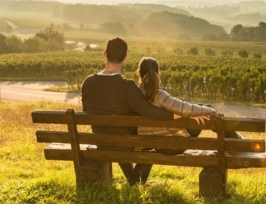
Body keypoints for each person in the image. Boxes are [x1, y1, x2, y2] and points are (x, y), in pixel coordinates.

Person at [81, 38, 176, 186]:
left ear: (105, 54)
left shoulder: (88, 82)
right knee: (145, 143)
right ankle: (135, 181)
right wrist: (177, 115)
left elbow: (85, 110)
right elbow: (150, 112)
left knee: (118, 137)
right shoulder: (127, 87)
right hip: (124, 144)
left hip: (100, 141)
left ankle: (133, 180)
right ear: (125, 57)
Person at [136, 57, 219, 155]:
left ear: (139, 73)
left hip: (147, 144)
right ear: (158, 74)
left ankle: (235, 138)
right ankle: (235, 139)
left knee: (199, 112)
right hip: (172, 146)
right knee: (206, 111)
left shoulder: (133, 95)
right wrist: (212, 110)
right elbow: (184, 109)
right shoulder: (159, 95)